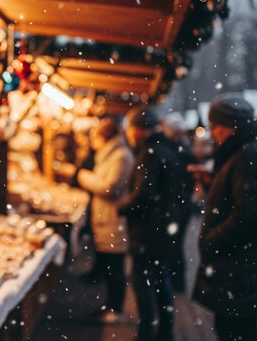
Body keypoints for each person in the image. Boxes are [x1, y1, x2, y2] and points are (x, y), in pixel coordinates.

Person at [192, 94, 257, 341]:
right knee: (234, 328)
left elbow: (250, 211)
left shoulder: (251, 154)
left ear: (226, 126)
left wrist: (213, 240)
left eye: (214, 128)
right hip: (241, 265)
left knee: (235, 331)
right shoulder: (249, 150)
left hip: (241, 265)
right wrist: (213, 183)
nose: (213, 135)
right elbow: (243, 199)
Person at [120, 107, 187, 341]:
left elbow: (145, 194)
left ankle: (147, 331)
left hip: (149, 230)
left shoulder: (149, 153)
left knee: (144, 281)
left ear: (139, 130)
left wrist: (122, 207)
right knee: (160, 278)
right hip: (164, 226)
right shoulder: (165, 148)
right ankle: (164, 330)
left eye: (130, 128)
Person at [76, 118, 134, 323]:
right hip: (108, 218)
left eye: (95, 137)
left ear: (105, 138)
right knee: (111, 265)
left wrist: (84, 177)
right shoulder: (113, 155)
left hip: (113, 219)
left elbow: (110, 187)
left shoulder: (120, 156)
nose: (93, 141)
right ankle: (111, 307)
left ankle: (115, 310)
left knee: (114, 267)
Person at [161, 113, 197, 292]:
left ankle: (177, 284)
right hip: (180, 204)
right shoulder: (182, 149)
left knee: (175, 245)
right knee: (175, 245)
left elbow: (182, 180)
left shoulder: (180, 150)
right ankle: (177, 283)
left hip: (179, 205)